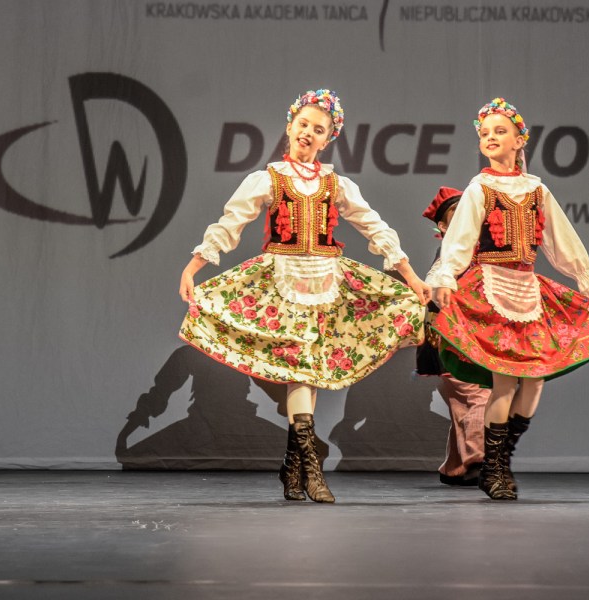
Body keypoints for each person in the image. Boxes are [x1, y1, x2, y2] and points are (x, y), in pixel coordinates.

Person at [178, 89, 430, 503]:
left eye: (319, 129)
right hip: (282, 282)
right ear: (290, 126)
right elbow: (230, 223)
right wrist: (194, 267)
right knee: (302, 373)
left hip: (327, 284)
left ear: (328, 139)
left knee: (307, 374)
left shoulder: (336, 184)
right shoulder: (269, 179)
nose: (308, 133)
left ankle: (293, 467)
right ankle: (311, 469)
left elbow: (374, 227)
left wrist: (410, 276)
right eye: (303, 125)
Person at [428, 98, 589, 500]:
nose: (491, 138)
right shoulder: (480, 188)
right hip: (491, 288)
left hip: (527, 288)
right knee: (505, 382)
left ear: (519, 140)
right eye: (485, 133)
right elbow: (460, 240)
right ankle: (493, 469)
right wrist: (445, 275)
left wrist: (586, 278)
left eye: (500, 131)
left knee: (535, 381)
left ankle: (502, 459)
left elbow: (560, 239)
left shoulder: (536, 190)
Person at [418, 187, 490, 486]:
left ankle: (455, 468)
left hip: (465, 338)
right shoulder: (450, 255)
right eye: (456, 216)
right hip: (456, 340)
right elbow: (435, 286)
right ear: (444, 226)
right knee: (480, 395)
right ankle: (478, 461)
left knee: (464, 402)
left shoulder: (475, 251)